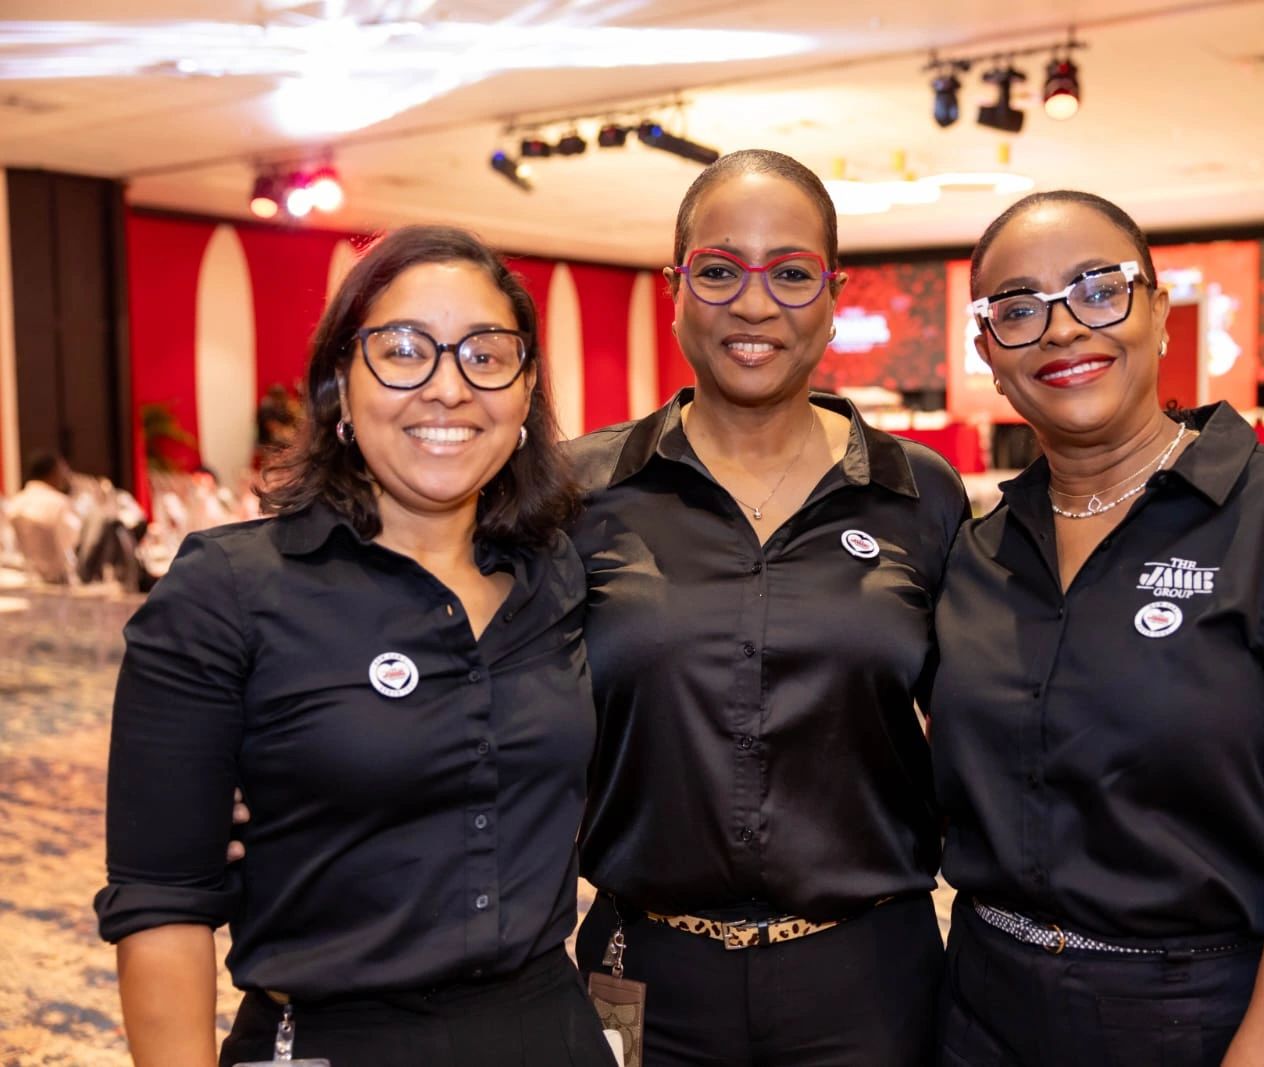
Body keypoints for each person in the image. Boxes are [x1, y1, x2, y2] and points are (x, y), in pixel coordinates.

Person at [95, 225, 614, 1067]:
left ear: (525, 392)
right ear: (341, 380)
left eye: (486, 355)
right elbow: (161, 902)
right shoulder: (228, 590)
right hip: (330, 1039)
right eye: (403, 350)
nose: (448, 387)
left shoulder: (556, 574)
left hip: (548, 1033)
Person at [929, 191, 1264, 1066]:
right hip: (982, 1009)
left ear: (1158, 314)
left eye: (1098, 290)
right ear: (989, 354)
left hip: (1203, 1014)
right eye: (1019, 309)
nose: (1062, 328)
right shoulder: (977, 550)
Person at [567, 149, 969, 1065]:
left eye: (791, 274)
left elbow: (984, 722)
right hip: (645, 970)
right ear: (675, 290)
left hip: (868, 977)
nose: (755, 305)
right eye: (719, 271)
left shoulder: (919, 493)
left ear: (833, 295)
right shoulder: (582, 490)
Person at [7, 451, 80, 583]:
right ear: (53, 472)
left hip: (28, 580)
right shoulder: (59, 503)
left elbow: (11, 547)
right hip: (59, 582)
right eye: (62, 470)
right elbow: (74, 544)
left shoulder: (15, 503)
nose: (65, 476)